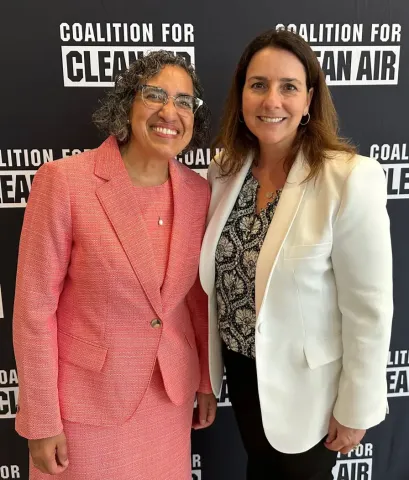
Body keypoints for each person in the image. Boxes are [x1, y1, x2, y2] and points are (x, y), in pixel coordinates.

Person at [13, 50, 217, 480]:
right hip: (86, 407)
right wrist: (41, 419)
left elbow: (196, 301)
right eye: (155, 94)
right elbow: (34, 311)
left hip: (168, 400)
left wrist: (204, 382)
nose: (170, 111)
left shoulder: (199, 194)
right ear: (128, 103)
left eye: (184, 102)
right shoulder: (64, 181)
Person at [199, 29, 393, 480]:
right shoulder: (224, 171)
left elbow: (369, 308)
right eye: (259, 85)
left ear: (309, 100)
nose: (272, 101)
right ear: (242, 95)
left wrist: (356, 406)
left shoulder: (348, 178)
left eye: (289, 87)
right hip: (243, 374)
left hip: (310, 392)